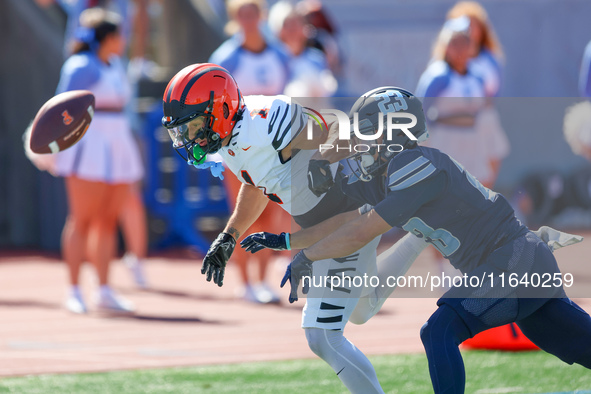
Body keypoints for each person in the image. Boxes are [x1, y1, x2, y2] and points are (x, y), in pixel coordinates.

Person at [252, 87, 591, 393]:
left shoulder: (413, 165)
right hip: (516, 263)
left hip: (513, 261)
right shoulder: (385, 174)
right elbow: (339, 218)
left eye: (368, 131)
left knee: (438, 330)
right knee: (574, 342)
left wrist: (308, 257)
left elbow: (360, 232)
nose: (361, 142)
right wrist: (290, 234)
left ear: (395, 131)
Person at [161, 64, 426, 393]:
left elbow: (333, 126)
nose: (189, 138)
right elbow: (257, 181)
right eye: (183, 131)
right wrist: (228, 236)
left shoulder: (267, 119)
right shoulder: (230, 136)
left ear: (221, 109)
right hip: (333, 220)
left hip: (346, 216)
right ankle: (418, 236)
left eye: (194, 126)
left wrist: (320, 161)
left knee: (323, 336)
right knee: (360, 310)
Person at [54, 8, 144, 313]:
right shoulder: (80, 66)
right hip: (89, 146)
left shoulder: (117, 64)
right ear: (107, 37)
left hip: (118, 144)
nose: (125, 39)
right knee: (81, 219)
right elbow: (61, 109)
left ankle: (104, 289)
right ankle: (74, 289)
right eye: (120, 34)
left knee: (107, 221)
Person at [209, 0, 292, 303]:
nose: (248, 19)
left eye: (253, 12)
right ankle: (244, 282)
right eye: (241, 13)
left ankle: (262, 280)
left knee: (273, 213)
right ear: (234, 18)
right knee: (243, 211)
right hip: (240, 143)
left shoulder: (278, 54)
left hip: (275, 141)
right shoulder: (226, 57)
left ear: (261, 16)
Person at [268, 1, 337, 98]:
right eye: (287, 24)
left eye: (296, 23)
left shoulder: (316, 57)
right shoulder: (272, 58)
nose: (293, 29)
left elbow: (328, 89)